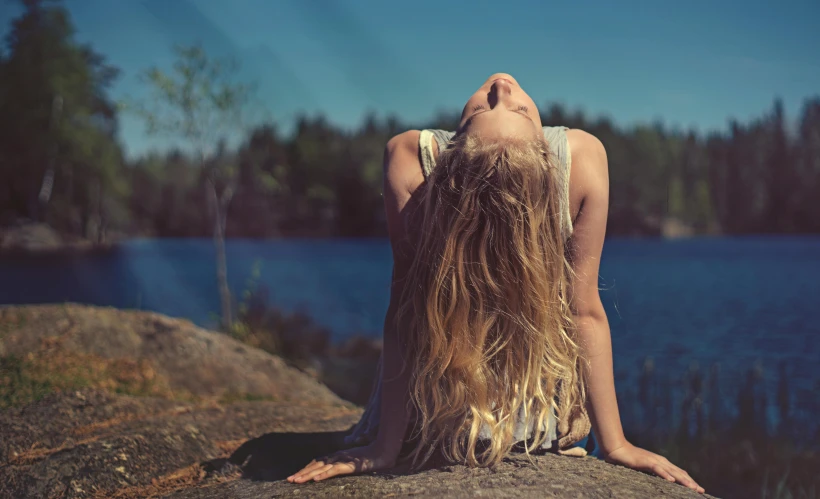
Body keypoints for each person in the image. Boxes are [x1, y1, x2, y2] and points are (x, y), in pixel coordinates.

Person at [287, 73, 704, 494]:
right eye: (488, 109)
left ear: (547, 156)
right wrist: (385, 446)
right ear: (450, 159)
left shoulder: (577, 159)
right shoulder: (414, 160)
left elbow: (583, 310)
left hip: (528, 395)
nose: (501, 88)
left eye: (511, 107)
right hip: (442, 399)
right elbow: (409, 310)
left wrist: (616, 444)